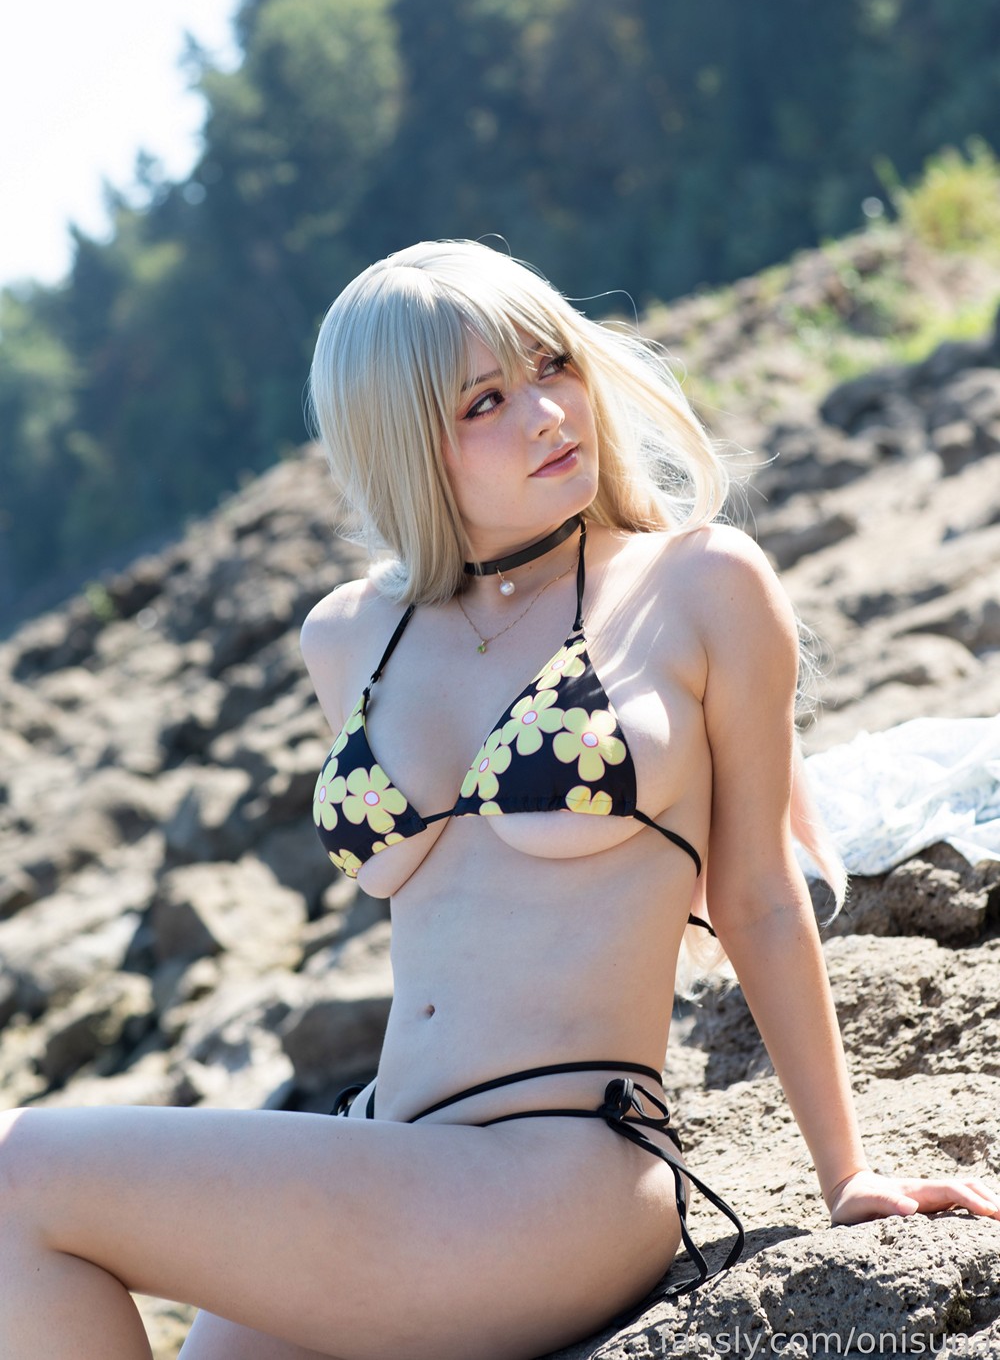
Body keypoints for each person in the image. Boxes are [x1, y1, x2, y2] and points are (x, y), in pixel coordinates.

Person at [0, 240, 996, 1360]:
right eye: (484, 401)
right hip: (388, 1148)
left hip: (557, 1172)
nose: (546, 413)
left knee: (15, 1171)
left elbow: (759, 896)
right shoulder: (349, 635)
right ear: (401, 443)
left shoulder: (699, 583)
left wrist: (845, 1174)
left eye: (550, 364)